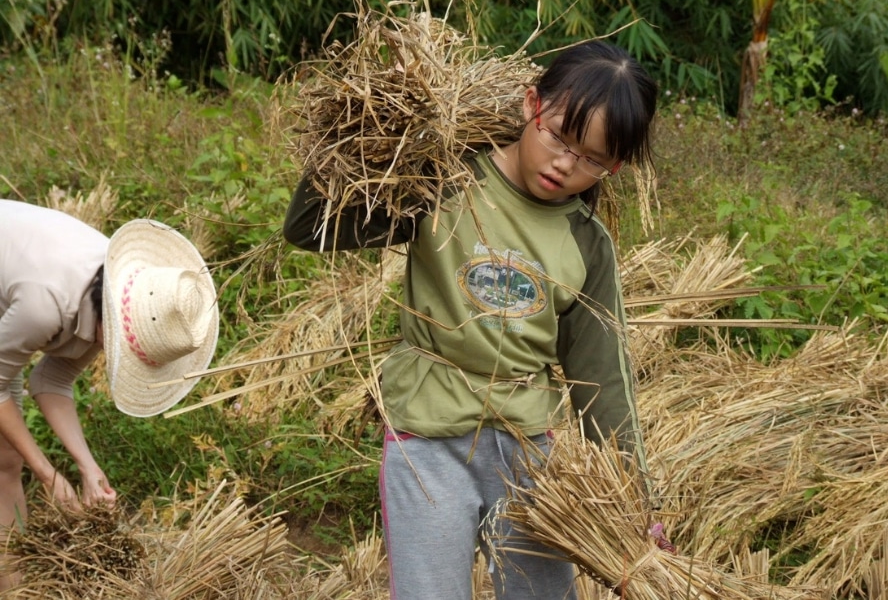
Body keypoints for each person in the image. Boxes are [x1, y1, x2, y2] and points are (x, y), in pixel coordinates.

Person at [284, 40, 657, 600]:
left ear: (616, 165)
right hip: (426, 436)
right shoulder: (444, 182)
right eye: (558, 136)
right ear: (532, 104)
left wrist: (635, 498)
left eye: (592, 158)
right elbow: (313, 228)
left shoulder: (585, 240)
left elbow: (603, 375)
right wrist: (356, 139)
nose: (565, 163)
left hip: (526, 449)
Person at [0, 201, 217, 589]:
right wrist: (47, 474)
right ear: (114, 325)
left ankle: (12, 580)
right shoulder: (45, 306)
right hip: (20, 299)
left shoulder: (119, 291)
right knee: (10, 453)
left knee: (5, 457)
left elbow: (51, 380)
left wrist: (87, 466)